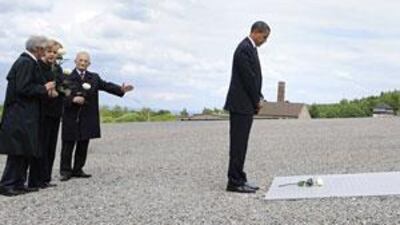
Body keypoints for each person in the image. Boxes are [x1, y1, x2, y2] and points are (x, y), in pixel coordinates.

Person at [60, 51, 134, 181]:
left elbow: (106, 85)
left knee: (83, 143)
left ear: (89, 64)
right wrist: (72, 99)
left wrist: (120, 90)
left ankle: (78, 169)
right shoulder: (65, 77)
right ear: (75, 61)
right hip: (71, 115)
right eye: (80, 60)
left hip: (87, 116)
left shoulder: (94, 77)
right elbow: (61, 96)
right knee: (68, 144)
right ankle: (65, 171)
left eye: (86, 61)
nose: (83, 63)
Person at [0, 35, 56, 196]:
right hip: (20, 114)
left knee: (24, 149)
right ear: (37, 49)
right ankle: (7, 184)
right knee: (17, 151)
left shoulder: (29, 62)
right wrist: (44, 88)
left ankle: (18, 183)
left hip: (26, 115)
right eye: (45, 49)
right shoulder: (25, 62)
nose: (46, 52)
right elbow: (23, 88)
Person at [224, 21, 270, 193]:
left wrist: (260, 96)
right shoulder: (244, 48)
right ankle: (234, 182)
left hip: (245, 105)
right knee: (238, 145)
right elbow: (248, 79)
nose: (265, 41)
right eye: (264, 37)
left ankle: (240, 177)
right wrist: (256, 100)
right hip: (241, 105)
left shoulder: (250, 48)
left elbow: (255, 78)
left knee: (241, 144)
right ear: (256, 32)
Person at [29, 39, 64, 189]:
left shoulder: (56, 69)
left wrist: (62, 91)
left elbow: (63, 87)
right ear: (43, 52)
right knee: (41, 147)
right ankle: (35, 179)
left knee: (50, 147)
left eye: (55, 53)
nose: (52, 55)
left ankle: (45, 178)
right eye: (50, 51)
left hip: (55, 112)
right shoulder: (38, 67)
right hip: (42, 112)